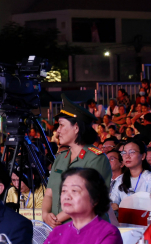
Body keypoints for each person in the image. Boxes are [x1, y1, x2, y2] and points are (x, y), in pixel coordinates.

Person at [11, 168, 122, 244]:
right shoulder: (58, 231)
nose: (66, 196)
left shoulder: (109, 233)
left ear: (95, 198)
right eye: (64, 191)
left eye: (74, 191)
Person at [43, 97, 111, 227]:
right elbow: (49, 193)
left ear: (76, 128)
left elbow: (89, 198)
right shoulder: (61, 157)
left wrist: (57, 219)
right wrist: (45, 215)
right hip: (59, 228)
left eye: (61, 125)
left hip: (87, 229)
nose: (58, 131)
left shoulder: (96, 158)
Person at [110, 139, 151, 210]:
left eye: (132, 152)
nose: (127, 156)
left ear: (143, 156)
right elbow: (113, 202)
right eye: (124, 152)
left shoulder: (150, 178)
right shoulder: (120, 179)